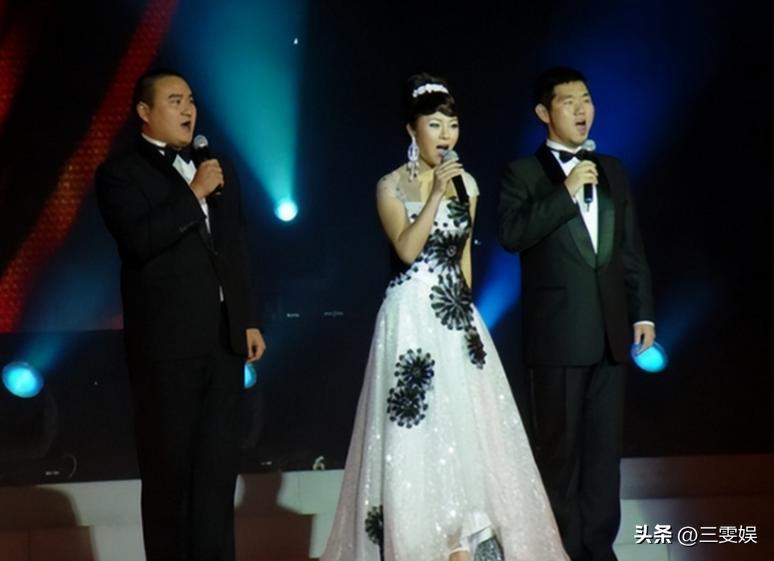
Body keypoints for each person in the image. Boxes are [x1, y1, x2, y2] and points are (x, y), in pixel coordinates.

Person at [322, 73, 568, 561]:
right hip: (409, 316)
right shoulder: (390, 185)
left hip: (453, 314)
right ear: (411, 130)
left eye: (452, 125)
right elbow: (407, 249)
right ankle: (423, 540)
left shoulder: (467, 184)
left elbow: (464, 257)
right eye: (434, 124)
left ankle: (472, 535)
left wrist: (467, 316)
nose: (446, 134)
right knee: (416, 428)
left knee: (470, 425)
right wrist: (434, 194)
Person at [95, 69, 265, 561]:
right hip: (165, 348)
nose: (188, 109)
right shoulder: (121, 173)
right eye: (174, 100)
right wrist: (192, 194)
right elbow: (139, 240)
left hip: (222, 341)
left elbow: (234, 245)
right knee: (169, 476)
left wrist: (247, 318)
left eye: (190, 99)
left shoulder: (216, 166)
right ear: (144, 112)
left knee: (217, 475)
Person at [497, 66, 656, 561]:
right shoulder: (522, 174)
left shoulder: (613, 169)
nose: (582, 109)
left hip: (610, 332)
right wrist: (564, 192)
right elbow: (512, 235)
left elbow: (629, 247)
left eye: (586, 99)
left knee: (604, 456)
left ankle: (598, 548)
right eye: (569, 102)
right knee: (560, 455)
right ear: (544, 113)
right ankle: (559, 549)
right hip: (557, 336)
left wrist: (643, 313)